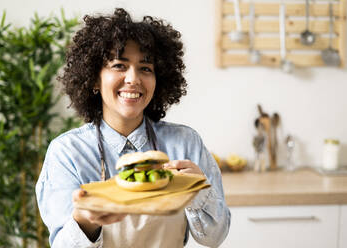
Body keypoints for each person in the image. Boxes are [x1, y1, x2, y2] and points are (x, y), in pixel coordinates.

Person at [36, 8, 231, 248]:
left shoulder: (185, 143)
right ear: (94, 78)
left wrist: (198, 193)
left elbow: (215, 238)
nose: (133, 79)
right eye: (119, 65)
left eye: (146, 68)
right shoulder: (67, 152)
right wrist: (85, 220)